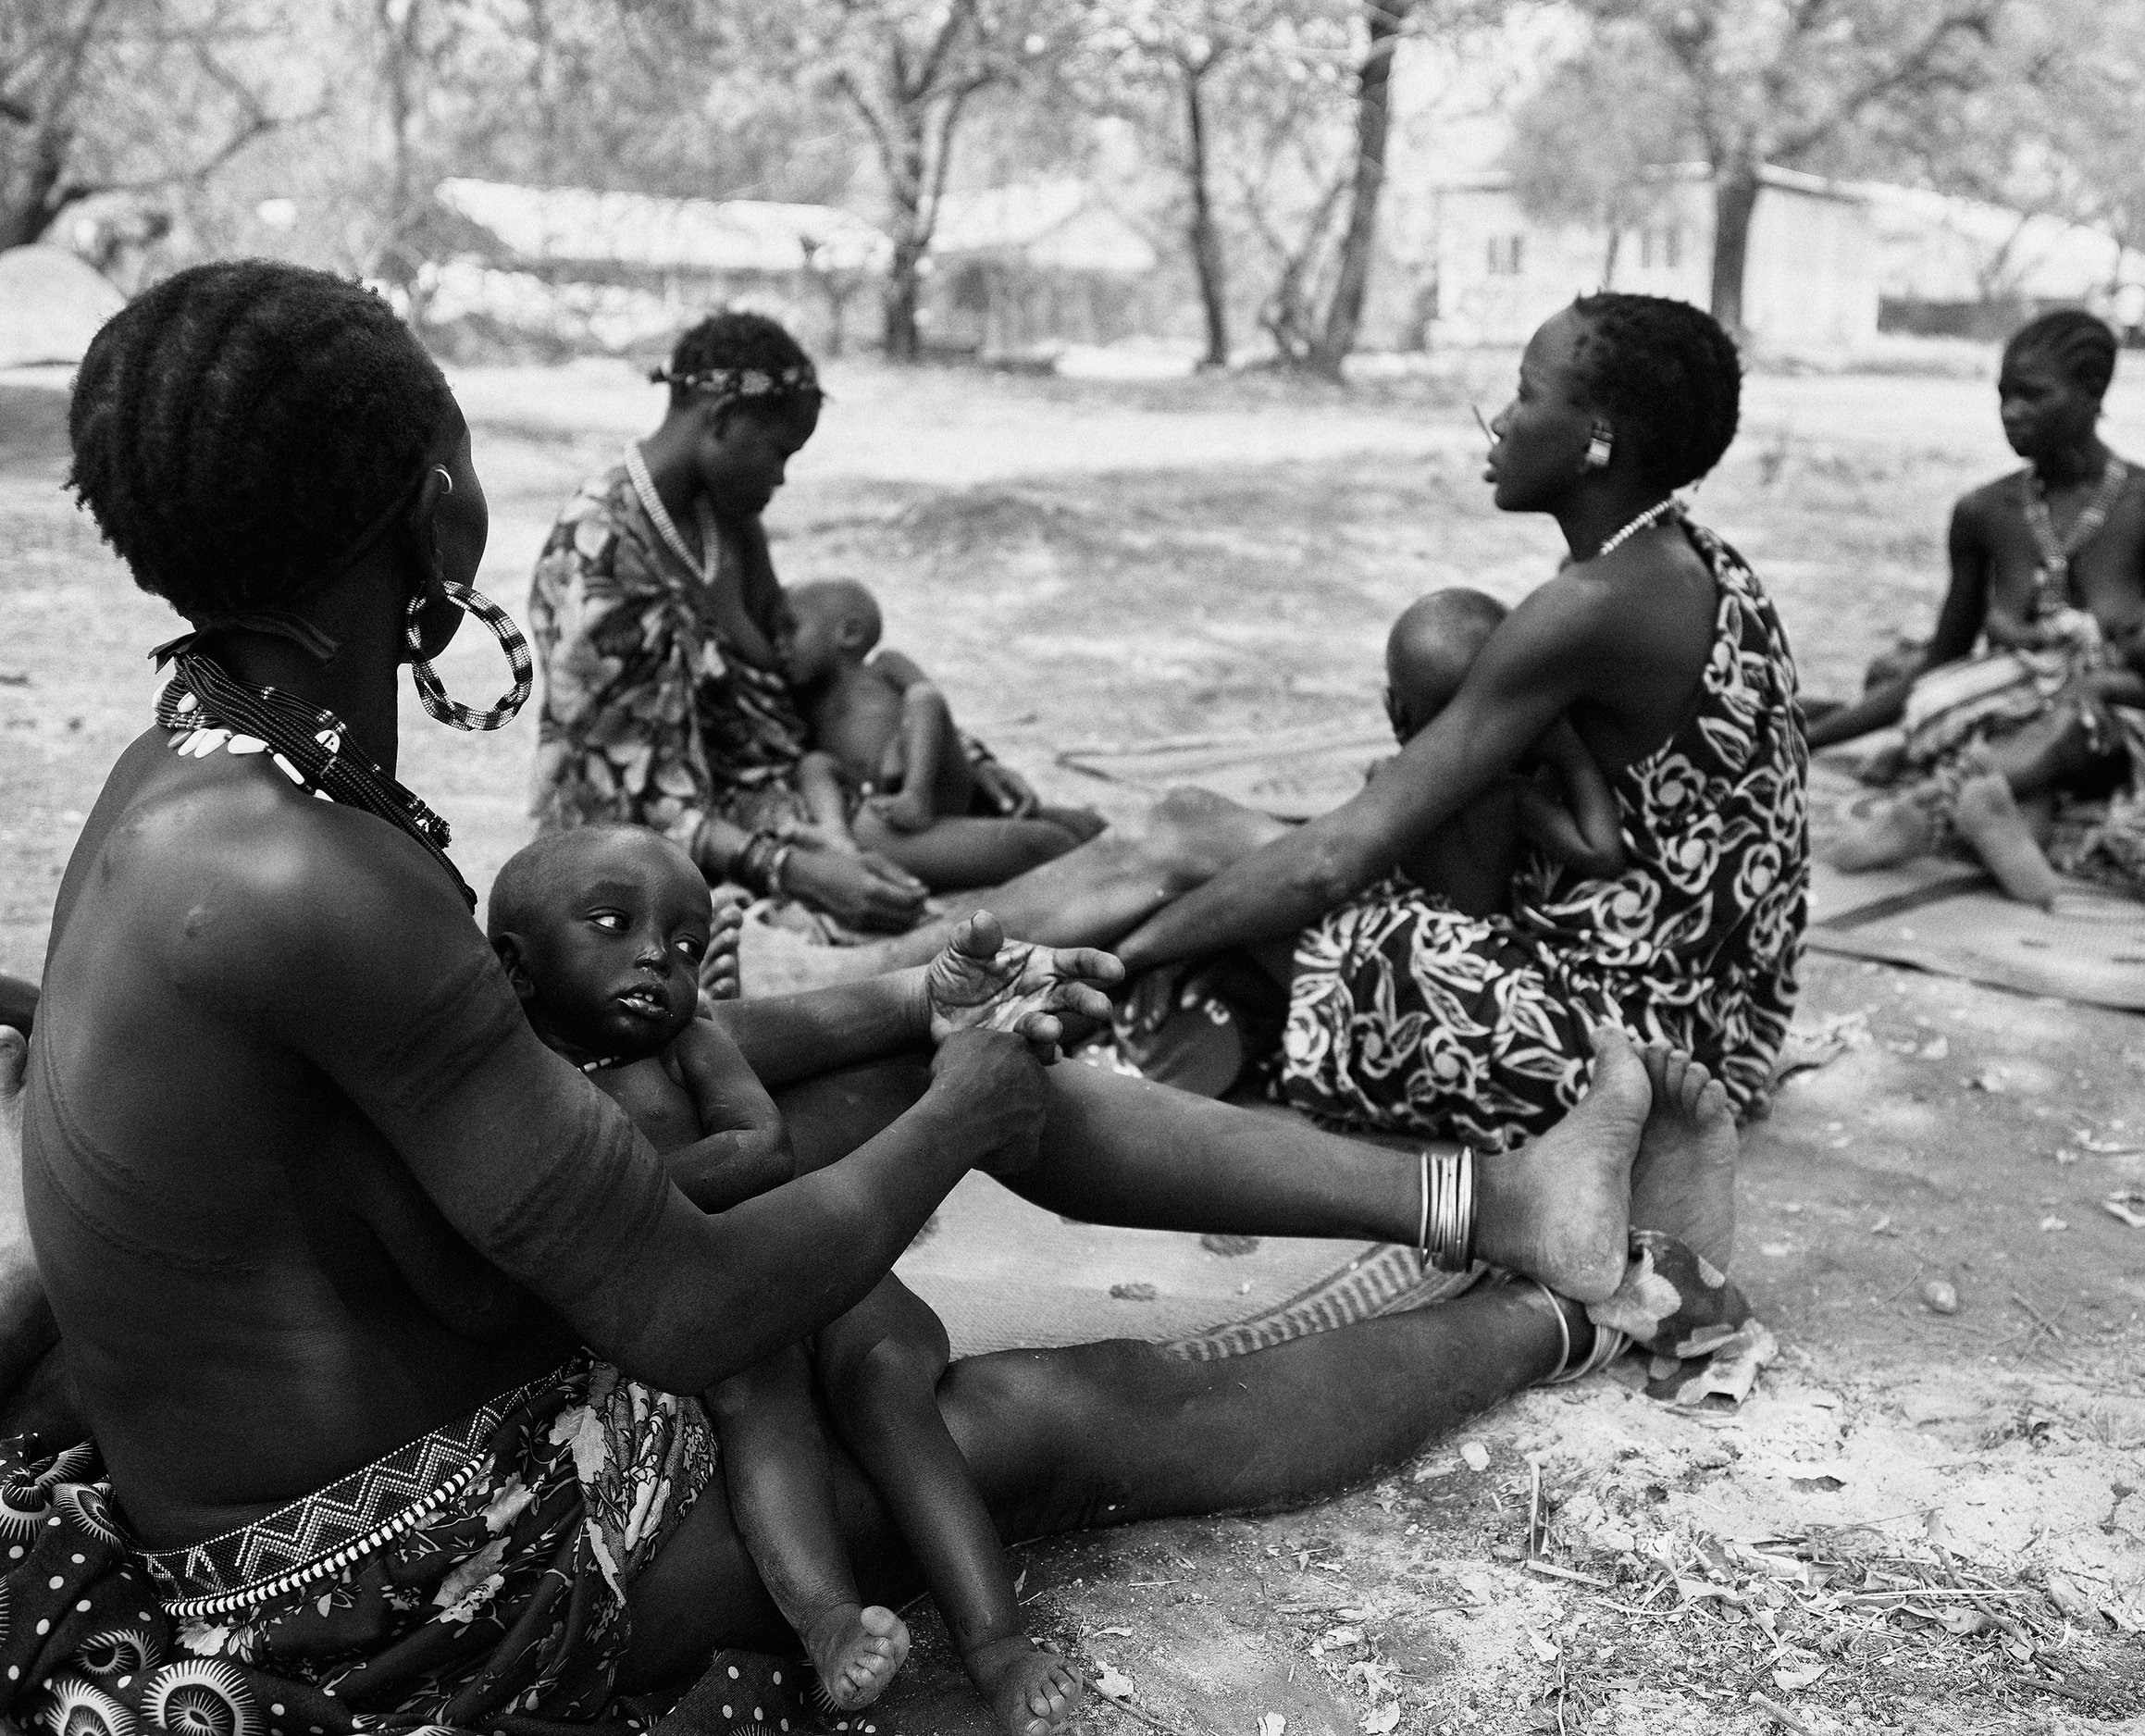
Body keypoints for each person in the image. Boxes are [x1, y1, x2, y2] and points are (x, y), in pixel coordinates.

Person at [6, 260, 1753, 1735]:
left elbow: (501, 1082)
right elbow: (683, 1314)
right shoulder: (310, 878)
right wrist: (953, 1116)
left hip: (402, 1385)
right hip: (383, 1579)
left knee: (921, 1084)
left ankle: (1508, 1201)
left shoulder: (218, 778)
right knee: (1031, 1413)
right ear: (429, 507)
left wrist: (915, 1007)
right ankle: (1586, 1315)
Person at [1094, 293, 1806, 1153]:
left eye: (1526, 394)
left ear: (1599, 438)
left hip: (1616, 1058)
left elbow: (1330, 863)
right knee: (1219, 858)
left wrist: (1122, 958)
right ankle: (952, 971)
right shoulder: (1699, 564)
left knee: (1198, 843)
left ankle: (970, 977)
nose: (1500, 423)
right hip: (1718, 1032)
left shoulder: (1590, 606)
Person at [487, 825, 1079, 1730]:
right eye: (612, 923)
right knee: (747, 1380)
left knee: (881, 1385)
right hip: (719, 1318)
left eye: (686, 947)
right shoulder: (506, 1083)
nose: (655, 955)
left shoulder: (694, 1042)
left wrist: (614, 1207)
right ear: (515, 966)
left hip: (820, 1282)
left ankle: (994, 1642)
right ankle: (829, 1621)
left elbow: (761, 1151)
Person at [527, 312, 1048, 935]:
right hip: (692, 833)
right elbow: (618, 798)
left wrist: (957, 760)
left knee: (1044, 831)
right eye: (780, 452)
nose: (781, 476)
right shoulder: (602, 556)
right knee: (1038, 858)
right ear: (722, 419)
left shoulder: (723, 517)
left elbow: (805, 679)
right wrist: (791, 869)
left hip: (813, 793)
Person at [1806, 310, 2145, 906]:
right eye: (2003, 395)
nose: (2011, 412)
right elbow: (1940, 662)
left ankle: (1931, 804)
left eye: (2034, 395)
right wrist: (1812, 739)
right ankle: (2002, 819)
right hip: (1996, 718)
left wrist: (2096, 687)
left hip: (2115, 726)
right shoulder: (1984, 512)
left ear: (2092, 392)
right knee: (2005, 757)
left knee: (2071, 721)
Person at [784, 578, 1104, 890]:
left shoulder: (884, 666)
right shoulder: (809, 701)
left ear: (849, 633)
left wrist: (970, 762)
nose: (777, 645)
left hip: (937, 780)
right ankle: (833, 832)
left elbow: (935, 706)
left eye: (790, 629)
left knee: (922, 699)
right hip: (880, 802)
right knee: (813, 763)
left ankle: (917, 796)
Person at [1382, 587, 1625, 917]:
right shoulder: (1507, 799)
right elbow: (1602, 854)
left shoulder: (1380, 780)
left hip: (1409, 931)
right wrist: (1570, 753)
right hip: (1474, 947)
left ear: (1393, 709)